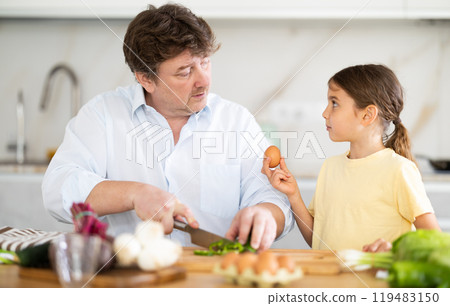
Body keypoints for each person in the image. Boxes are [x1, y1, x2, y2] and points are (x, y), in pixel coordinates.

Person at [42, 3, 293, 251]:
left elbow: (273, 198)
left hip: (215, 279)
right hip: (127, 278)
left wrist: (265, 215)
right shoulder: (103, 115)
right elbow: (57, 188)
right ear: (146, 78)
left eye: (205, 63)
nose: (204, 81)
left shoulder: (236, 121)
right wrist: (133, 194)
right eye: (185, 72)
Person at [262, 64, 440, 252]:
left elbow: (435, 243)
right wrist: (293, 194)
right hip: (332, 280)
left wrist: (394, 252)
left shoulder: (399, 170)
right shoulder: (330, 167)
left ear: (367, 114)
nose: (325, 113)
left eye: (335, 103)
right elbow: (317, 240)